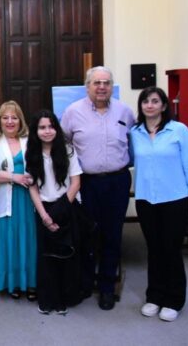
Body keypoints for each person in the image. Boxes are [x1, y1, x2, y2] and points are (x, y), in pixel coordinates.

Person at [61, 66, 135, 310]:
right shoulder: (72, 112)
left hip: (117, 181)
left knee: (112, 235)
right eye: (97, 83)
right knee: (87, 234)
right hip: (87, 183)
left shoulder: (125, 111)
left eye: (106, 83)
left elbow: (133, 143)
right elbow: (64, 144)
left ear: (112, 86)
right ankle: (84, 283)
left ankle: (106, 288)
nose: (102, 87)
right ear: (87, 86)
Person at [129, 87, 188, 322]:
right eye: (145, 101)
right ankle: (154, 296)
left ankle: (174, 299)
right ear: (141, 106)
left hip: (175, 199)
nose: (150, 105)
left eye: (155, 101)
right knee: (154, 249)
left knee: (171, 249)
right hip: (146, 200)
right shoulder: (135, 132)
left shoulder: (179, 130)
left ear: (163, 105)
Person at [26, 109, 83, 315]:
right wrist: (44, 216)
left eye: (51, 126)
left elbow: (76, 183)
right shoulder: (31, 153)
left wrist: (58, 212)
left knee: (66, 255)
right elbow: (32, 187)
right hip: (44, 209)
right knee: (46, 256)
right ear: (36, 131)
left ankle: (63, 298)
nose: (47, 131)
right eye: (42, 127)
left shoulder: (68, 150)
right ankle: (47, 299)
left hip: (66, 206)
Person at [0, 101, 37, 300]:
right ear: (0, 121)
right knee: (9, 239)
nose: (10, 121)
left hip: (29, 198)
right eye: (5, 118)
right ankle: (13, 283)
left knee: (29, 238)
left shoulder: (30, 141)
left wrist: (30, 177)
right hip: (6, 199)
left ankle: (31, 282)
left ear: (20, 121)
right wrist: (14, 177)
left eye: (14, 117)